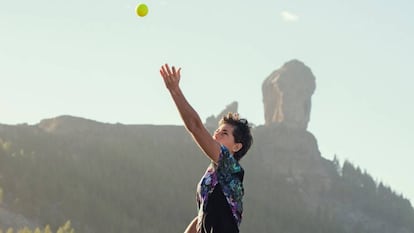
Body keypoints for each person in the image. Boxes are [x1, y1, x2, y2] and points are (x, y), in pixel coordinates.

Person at [159, 64, 253, 233]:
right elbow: (202, 216)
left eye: (224, 132)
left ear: (237, 146)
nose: (216, 134)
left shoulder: (228, 165)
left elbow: (195, 126)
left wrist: (175, 91)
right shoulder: (213, 173)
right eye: (217, 130)